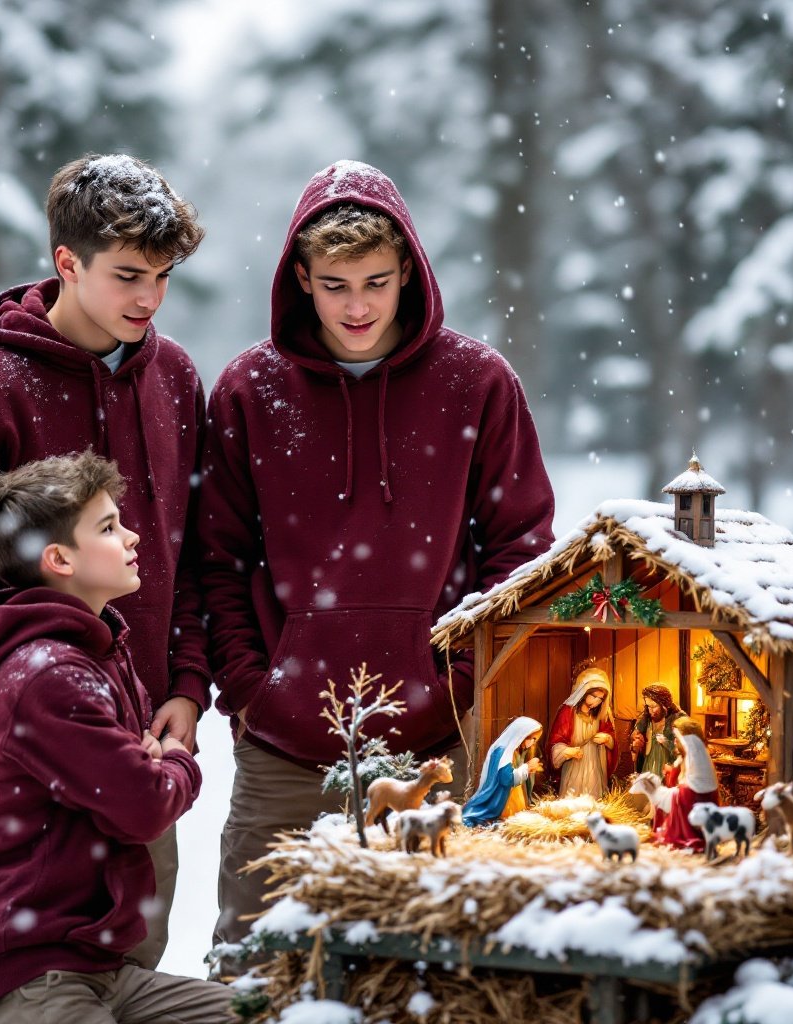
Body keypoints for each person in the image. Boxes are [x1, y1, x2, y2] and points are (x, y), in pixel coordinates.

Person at [199, 160, 555, 956]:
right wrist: (254, 690)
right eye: (334, 285)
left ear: (409, 273)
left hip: (441, 747)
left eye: (376, 282)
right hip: (282, 749)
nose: (356, 306)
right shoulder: (250, 391)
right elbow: (217, 560)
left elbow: (521, 550)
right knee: (254, 969)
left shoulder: (477, 383)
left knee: (438, 971)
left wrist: (460, 687)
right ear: (301, 278)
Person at [0, 153, 209, 1024]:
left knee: (122, 986)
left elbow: (195, 558)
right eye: (128, 276)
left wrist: (183, 686)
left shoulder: (175, 381)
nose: (150, 298)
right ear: (67, 263)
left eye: (164, 277)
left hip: (134, 749)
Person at [0, 452, 234, 1024]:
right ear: (59, 559)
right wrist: (175, 760)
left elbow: (130, 786)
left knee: (266, 1014)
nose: (132, 536)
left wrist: (150, 768)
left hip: (99, 968)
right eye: (108, 527)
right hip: (29, 977)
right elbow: (144, 804)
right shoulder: (48, 674)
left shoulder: (90, 648)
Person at [547, 665, 618, 799]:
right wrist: (566, 752)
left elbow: (612, 739)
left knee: (593, 795)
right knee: (573, 795)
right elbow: (556, 740)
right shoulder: (567, 712)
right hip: (574, 763)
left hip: (594, 763)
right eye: (594, 696)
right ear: (584, 692)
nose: (596, 702)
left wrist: (607, 739)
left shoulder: (603, 714)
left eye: (600, 699)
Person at [651, 717, 719, 852]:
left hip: (697, 797)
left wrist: (677, 786)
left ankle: (680, 835)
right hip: (690, 791)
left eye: (678, 738)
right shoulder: (686, 755)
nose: (675, 741)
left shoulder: (696, 756)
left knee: (670, 797)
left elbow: (693, 783)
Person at [462, 717, 543, 826]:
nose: (533, 743)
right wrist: (527, 767)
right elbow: (506, 779)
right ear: (521, 734)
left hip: (507, 799)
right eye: (532, 738)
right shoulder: (503, 751)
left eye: (535, 740)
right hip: (496, 801)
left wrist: (528, 769)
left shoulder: (512, 750)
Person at [630, 683, 686, 780]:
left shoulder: (678, 720)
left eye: (654, 706)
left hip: (668, 769)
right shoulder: (646, 719)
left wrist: (666, 742)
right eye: (648, 706)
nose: (650, 710)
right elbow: (635, 735)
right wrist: (636, 740)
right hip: (648, 767)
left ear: (664, 705)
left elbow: (683, 749)